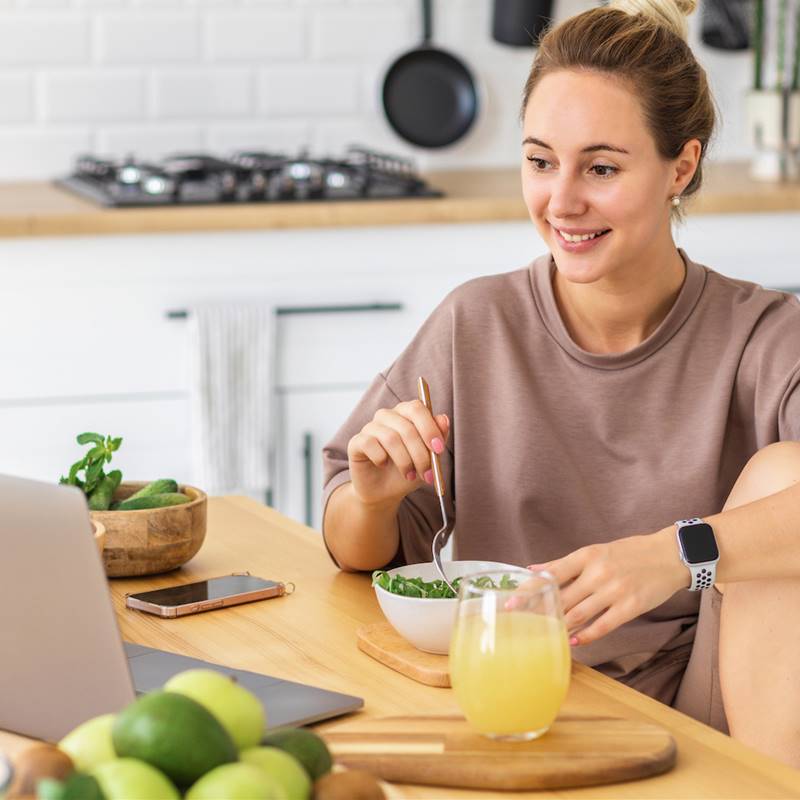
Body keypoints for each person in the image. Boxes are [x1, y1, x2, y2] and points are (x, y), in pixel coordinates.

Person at [321, 0, 800, 769]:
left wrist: (678, 554)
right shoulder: (475, 321)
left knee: (788, 474)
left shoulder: (764, 334)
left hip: (705, 716)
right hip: (505, 702)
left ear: (681, 166)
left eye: (601, 167)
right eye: (541, 162)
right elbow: (352, 546)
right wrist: (373, 498)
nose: (562, 201)